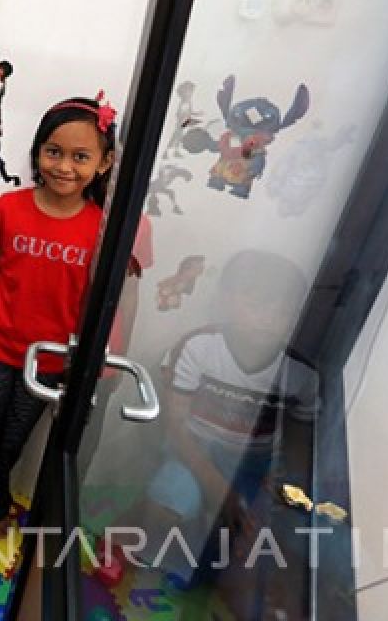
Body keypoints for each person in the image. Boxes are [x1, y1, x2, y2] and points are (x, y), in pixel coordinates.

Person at [0, 94, 117, 541]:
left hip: (50, 362)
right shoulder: (10, 207)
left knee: (10, 441)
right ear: (38, 152)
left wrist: (89, 360)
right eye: (54, 152)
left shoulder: (102, 230)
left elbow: (97, 304)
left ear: (103, 163)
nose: (64, 166)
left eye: (81, 156)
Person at [123, 249, 316, 597]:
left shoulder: (301, 374)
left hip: (255, 461)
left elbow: (300, 439)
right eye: (256, 303)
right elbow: (175, 428)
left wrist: (284, 481)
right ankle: (148, 563)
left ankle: (198, 569)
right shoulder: (199, 348)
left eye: (281, 309)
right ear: (226, 302)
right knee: (170, 502)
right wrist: (217, 487)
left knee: (248, 544)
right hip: (194, 448)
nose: (267, 318)